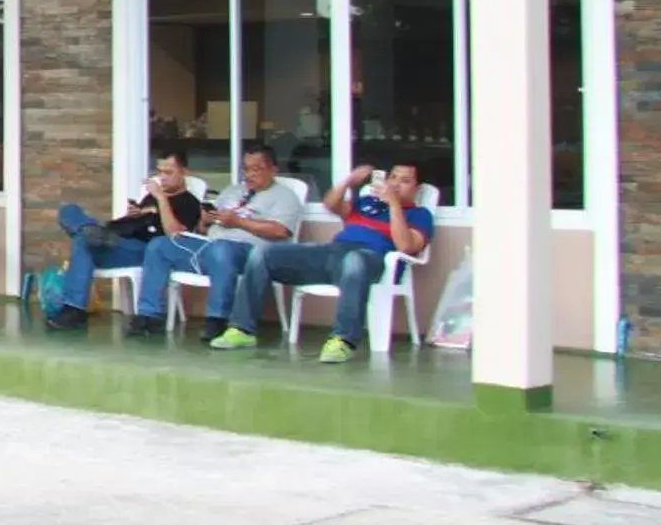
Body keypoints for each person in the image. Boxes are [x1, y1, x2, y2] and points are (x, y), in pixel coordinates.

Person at [212, 162, 434, 363]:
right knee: (263, 253)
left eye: (405, 181)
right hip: (333, 252)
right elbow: (331, 205)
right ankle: (242, 329)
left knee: (354, 261)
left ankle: (342, 340)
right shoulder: (366, 203)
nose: (395, 184)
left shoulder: (420, 215)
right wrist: (348, 181)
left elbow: (406, 246)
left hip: (372, 260)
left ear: (418, 189)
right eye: (392, 177)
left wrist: (394, 205)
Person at [124, 146, 305, 337]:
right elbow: (204, 230)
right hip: (210, 247)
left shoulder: (285, 196)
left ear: (273, 170)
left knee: (221, 249)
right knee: (160, 245)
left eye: (256, 169)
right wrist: (205, 220)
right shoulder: (232, 191)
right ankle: (148, 315)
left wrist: (239, 222)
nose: (249, 174)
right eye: (245, 169)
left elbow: (280, 231)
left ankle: (217, 319)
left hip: (252, 254)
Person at [43, 153, 205, 331]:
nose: (162, 178)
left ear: (184, 172)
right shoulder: (149, 199)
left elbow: (175, 234)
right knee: (70, 212)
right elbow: (134, 224)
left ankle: (74, 310)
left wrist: (161, 198)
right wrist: (131, 217)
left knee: (83, 242)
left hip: (146, 250)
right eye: (159, 172)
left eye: (169, 172)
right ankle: (88, 229)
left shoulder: (189, 202)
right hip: (120, 240)